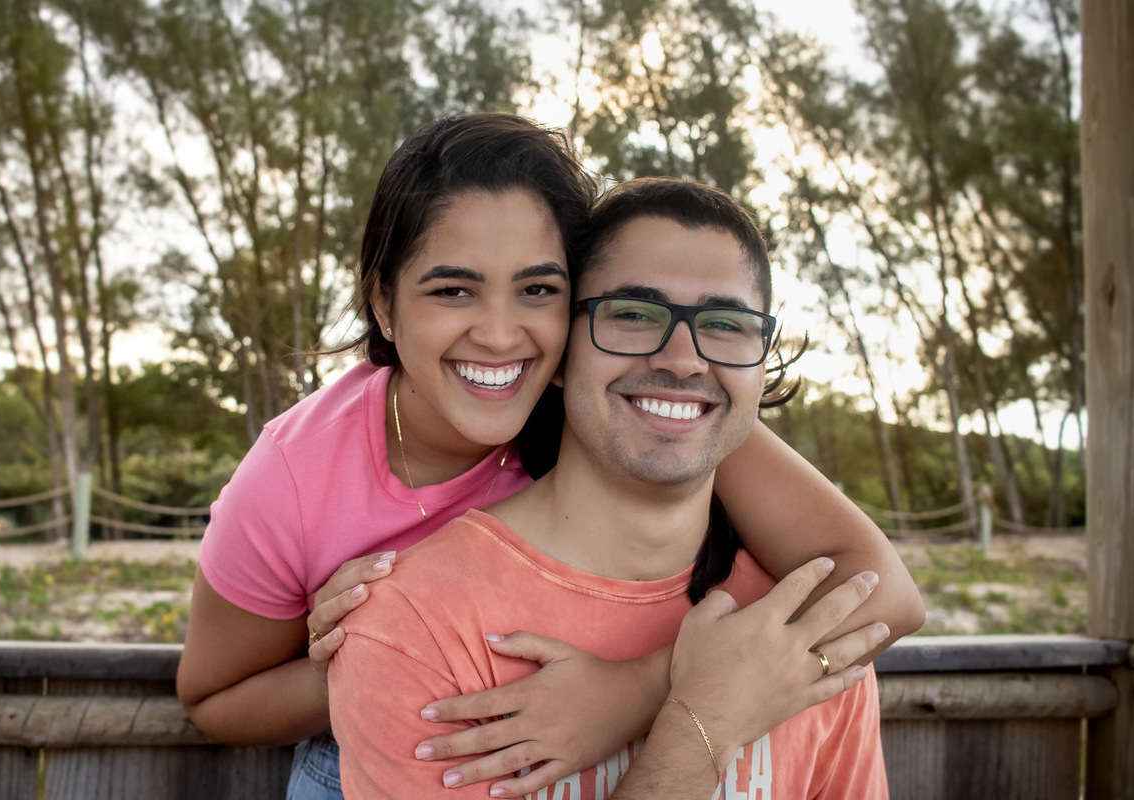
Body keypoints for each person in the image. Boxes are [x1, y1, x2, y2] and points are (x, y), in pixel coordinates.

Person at [177, 114, 921, 799]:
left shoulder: (660, 406)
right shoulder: (302, 470)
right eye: (453, 290)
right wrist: (362, 654)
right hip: (366, 746)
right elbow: (212, 697)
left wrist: (635, 691)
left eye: (537, 289)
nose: (501, 336)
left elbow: (882, 590)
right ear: (383, 303)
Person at [328, 178, 892, 799]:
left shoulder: (810, 622)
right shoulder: (411, 625)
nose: (683, 360)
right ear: (562, 350)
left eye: (726, 324)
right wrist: (702, 722)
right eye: (632, 314)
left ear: (761, 363)